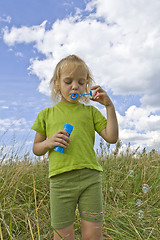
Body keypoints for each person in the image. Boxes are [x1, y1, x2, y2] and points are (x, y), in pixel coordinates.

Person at [31, 55, 118, 240]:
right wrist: (48, 142)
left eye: (80, 82)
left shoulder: (91, 112)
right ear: (57, 84)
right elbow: (36, 148)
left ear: (87, 85)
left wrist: (109, 106)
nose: (74, 87)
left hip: (90, 179)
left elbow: (111, 137)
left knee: (93, 235)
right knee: (62, 236)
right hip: (60, 182)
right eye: (68, 81)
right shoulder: (46, 114)